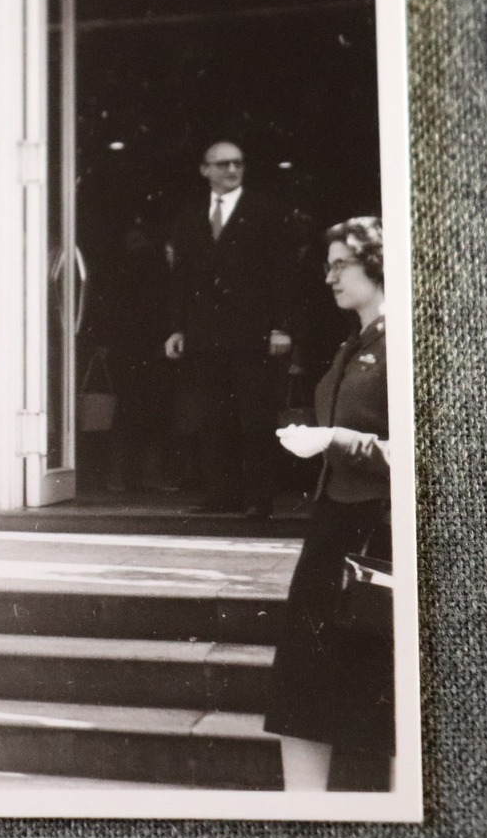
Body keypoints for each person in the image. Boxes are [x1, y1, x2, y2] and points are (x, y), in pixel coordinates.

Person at [265, 216, 393, 790]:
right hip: (334, 522)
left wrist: (334, 440)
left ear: (376, 261)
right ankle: (304, 812)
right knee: (302, 679)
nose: (330, 277)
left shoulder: (406, 340)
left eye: (341, 264)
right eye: (328, 266)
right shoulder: (356, 341)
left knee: (388, 689)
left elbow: (423, 453)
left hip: (381, 529)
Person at [164, 140, 293, 517]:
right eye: (222, 164)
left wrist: (281, 327)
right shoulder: (189, 217)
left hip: (254, 334)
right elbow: (181, 279)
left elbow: (283, 275)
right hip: (205, 334)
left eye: (237, 163)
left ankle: (258, 498)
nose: (232, 170)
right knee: (213, 418)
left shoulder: (266, 213)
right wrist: (177, 328)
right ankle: (222, 496)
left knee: (255, 418)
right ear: (204, 169)